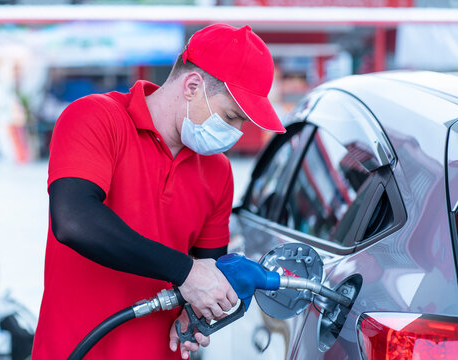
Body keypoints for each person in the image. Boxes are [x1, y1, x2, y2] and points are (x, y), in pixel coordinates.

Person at [31, 23, 285, 360]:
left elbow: (207, 271)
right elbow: (74, 220)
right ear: (193, 86)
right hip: (76, 350)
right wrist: (185, 272)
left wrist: (198, 314)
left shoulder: (218, 171)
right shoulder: (95, 118)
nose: (236, 132)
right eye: (231, 116)